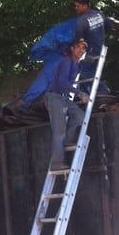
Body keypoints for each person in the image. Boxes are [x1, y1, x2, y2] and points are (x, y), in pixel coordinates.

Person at [45, 39, 89, 172]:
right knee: (59, 132)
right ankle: (57, 163)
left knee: (80, 116)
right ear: (72, 49)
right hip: (54, 97)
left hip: (63, 98)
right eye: (78, 47)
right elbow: (62, 81)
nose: (81, 50)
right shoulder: (66, 61)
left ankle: (67, 141)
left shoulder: (76, 64)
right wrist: (79, 94)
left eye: (83, 49)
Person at [73, 0, 114, 87]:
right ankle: (93, 92)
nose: (76, 8)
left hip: (90, 52)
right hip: (101, 50)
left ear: (85, 5)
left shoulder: (82, 21)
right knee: (93, 75)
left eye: (78, 6)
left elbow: (77, 40)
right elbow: (110, 27)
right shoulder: (99, 14)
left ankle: (102, 88)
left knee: (81, 72)